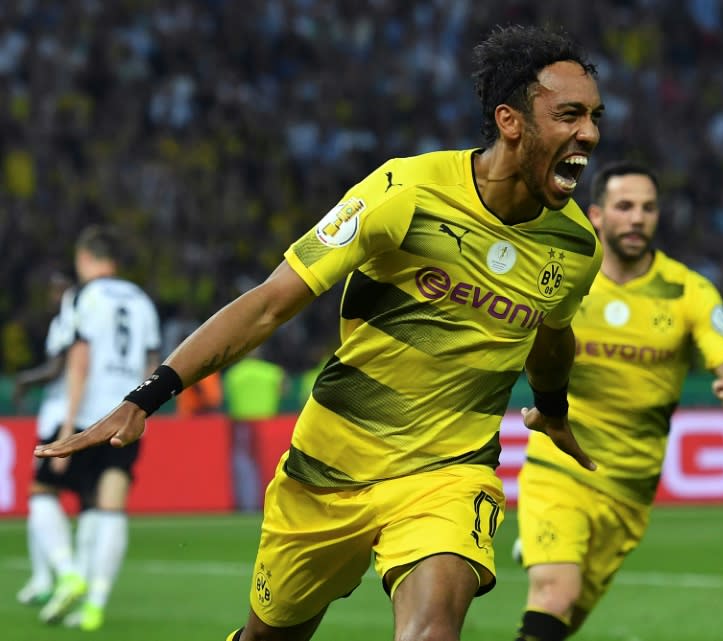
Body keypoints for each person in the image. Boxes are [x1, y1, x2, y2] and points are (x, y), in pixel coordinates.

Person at [36, 24, 605, 641]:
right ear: (510, 120)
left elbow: (553, 331)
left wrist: (551, 406)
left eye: (595, 117)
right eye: (569, 115)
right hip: (328, 468)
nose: (590, 134)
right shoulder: (406, 192)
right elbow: (268, 305)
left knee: (432, 631)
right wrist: (147, 395)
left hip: (449, 469)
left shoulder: (575, 246)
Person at [512, 160, 723, 641]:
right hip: (558, 465)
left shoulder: (689, 290)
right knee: (553, 594)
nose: (637, 218)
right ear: (598, 216)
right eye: (624, 207)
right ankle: (547, 551)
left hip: (631, 489)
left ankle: (548, 553)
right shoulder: (563, 280)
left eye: (647, 208)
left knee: (563, 620)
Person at [35, 225, 162, 631]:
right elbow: (152, 364)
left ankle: (68, 572)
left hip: (88, 415)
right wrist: (141, 413)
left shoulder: (84, 296)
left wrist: (67, 427)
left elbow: (80, 358)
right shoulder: (142, 301)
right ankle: (95, 604)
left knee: (42, 491)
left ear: (86, 258)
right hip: (126, 414)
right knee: (107, 506)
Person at [13, 270, 76, 607]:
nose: (55, 295)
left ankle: (66, 574)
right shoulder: (68, 319)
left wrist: (24, 379)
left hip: (64, 417)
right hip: (62, 413)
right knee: (39, 495)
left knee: (41, 494)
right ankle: (42, 576)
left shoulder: (71, 317)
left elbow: (57, 368)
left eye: (59, 288)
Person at [222, 347, 286, 511]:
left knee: (243, 464)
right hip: (269, 424)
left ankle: (246, 504)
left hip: (242, 423)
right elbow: (284, 391)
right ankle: (273, 503)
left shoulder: (233, 374)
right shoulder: (273, 372)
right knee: (273, 464)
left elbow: (225, 397)